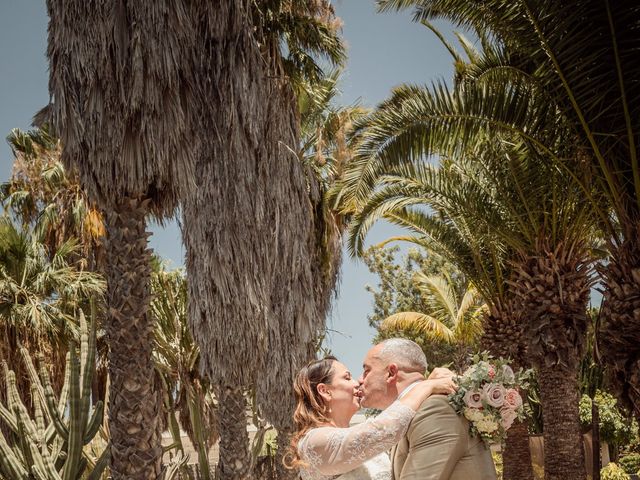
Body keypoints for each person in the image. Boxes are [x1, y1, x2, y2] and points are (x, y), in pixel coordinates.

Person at [287, 355, 457, 480]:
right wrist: (424, 386)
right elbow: (386, 429)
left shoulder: (359, 437)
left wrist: (428, 386)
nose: (356, 382)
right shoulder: (313, 442)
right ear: (325, 391)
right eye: (347, 377)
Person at [360, 339, 497, 480]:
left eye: (366, 371)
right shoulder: (413, 414)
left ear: (391, 373)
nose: (360, 380)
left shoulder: (435, 409)